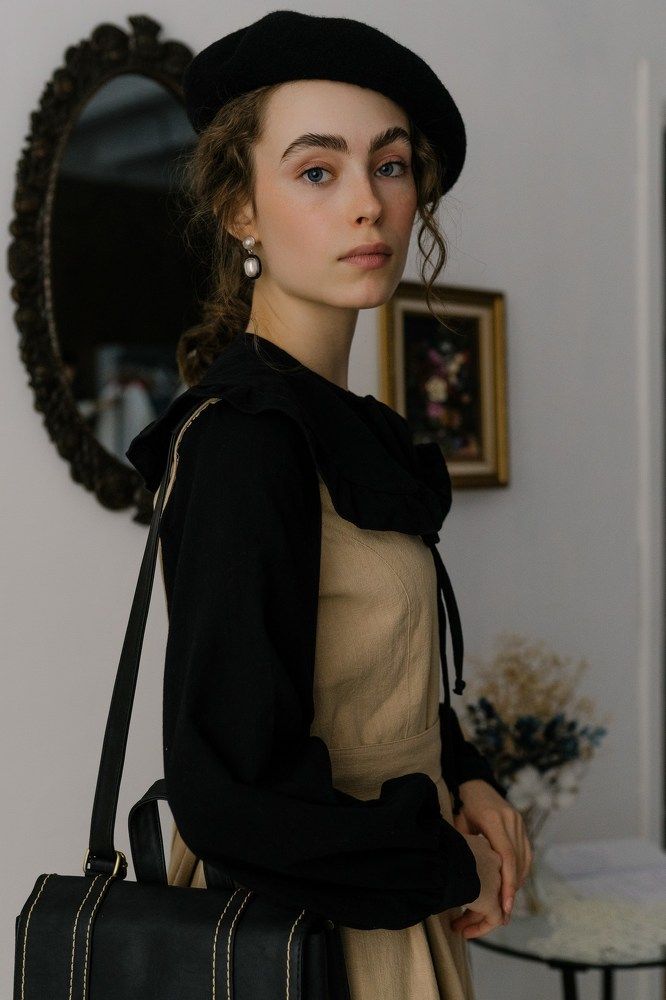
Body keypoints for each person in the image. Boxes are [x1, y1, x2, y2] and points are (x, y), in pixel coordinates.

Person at [126, 11, 532, 998]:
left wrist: (466, 771)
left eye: (389, 166)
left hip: (387, 905)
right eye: (317, 170)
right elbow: (229, 796)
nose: (367, 205)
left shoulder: (349, 426)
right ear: (242, 208)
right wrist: (451, 862)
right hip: (313, 938)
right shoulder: (244, 437)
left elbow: (366, 674)